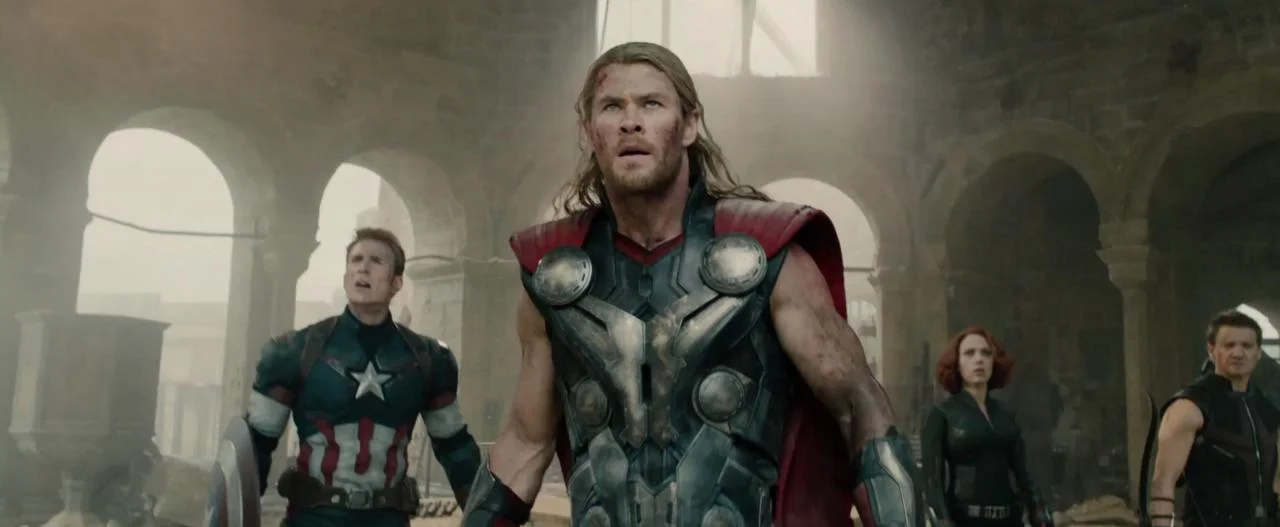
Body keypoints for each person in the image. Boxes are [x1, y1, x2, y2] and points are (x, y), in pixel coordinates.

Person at [459, 41, 924, 527]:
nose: (630, 122)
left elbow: (861, 412)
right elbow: (525, 443)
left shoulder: (769, 257)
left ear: (690, 124)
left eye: (651, 104)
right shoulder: (555, 278)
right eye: (612, 106)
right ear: (589, 131)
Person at [243, 227, 482, 526]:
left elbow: (455, 448)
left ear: (397, 282)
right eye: (356, 260)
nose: (363, 268)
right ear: (346, 277)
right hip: (313, 520)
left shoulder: (428, 359)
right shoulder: (292, 352)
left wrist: (485, 517)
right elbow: (253, 449)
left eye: (376, 261)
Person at [1144, 310, 1280, 527]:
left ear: (1258, 352)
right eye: (1229, 345)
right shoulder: (1190, 406)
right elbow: (1163, 482)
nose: (1238, 353)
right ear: (1211, 350)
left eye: (1246, 346)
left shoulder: (1267, 409)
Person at [920, 327, 1053, 527]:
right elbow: (932, 483)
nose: (979, 359)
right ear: (957, 363)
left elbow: (1024, 473)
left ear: (993, 361)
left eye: (986, 353)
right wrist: (942, 521)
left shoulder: (1005, 413)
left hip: (1010, 520)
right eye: (969, 353)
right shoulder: (942, 414)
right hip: (965, 520)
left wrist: (1039, 512)